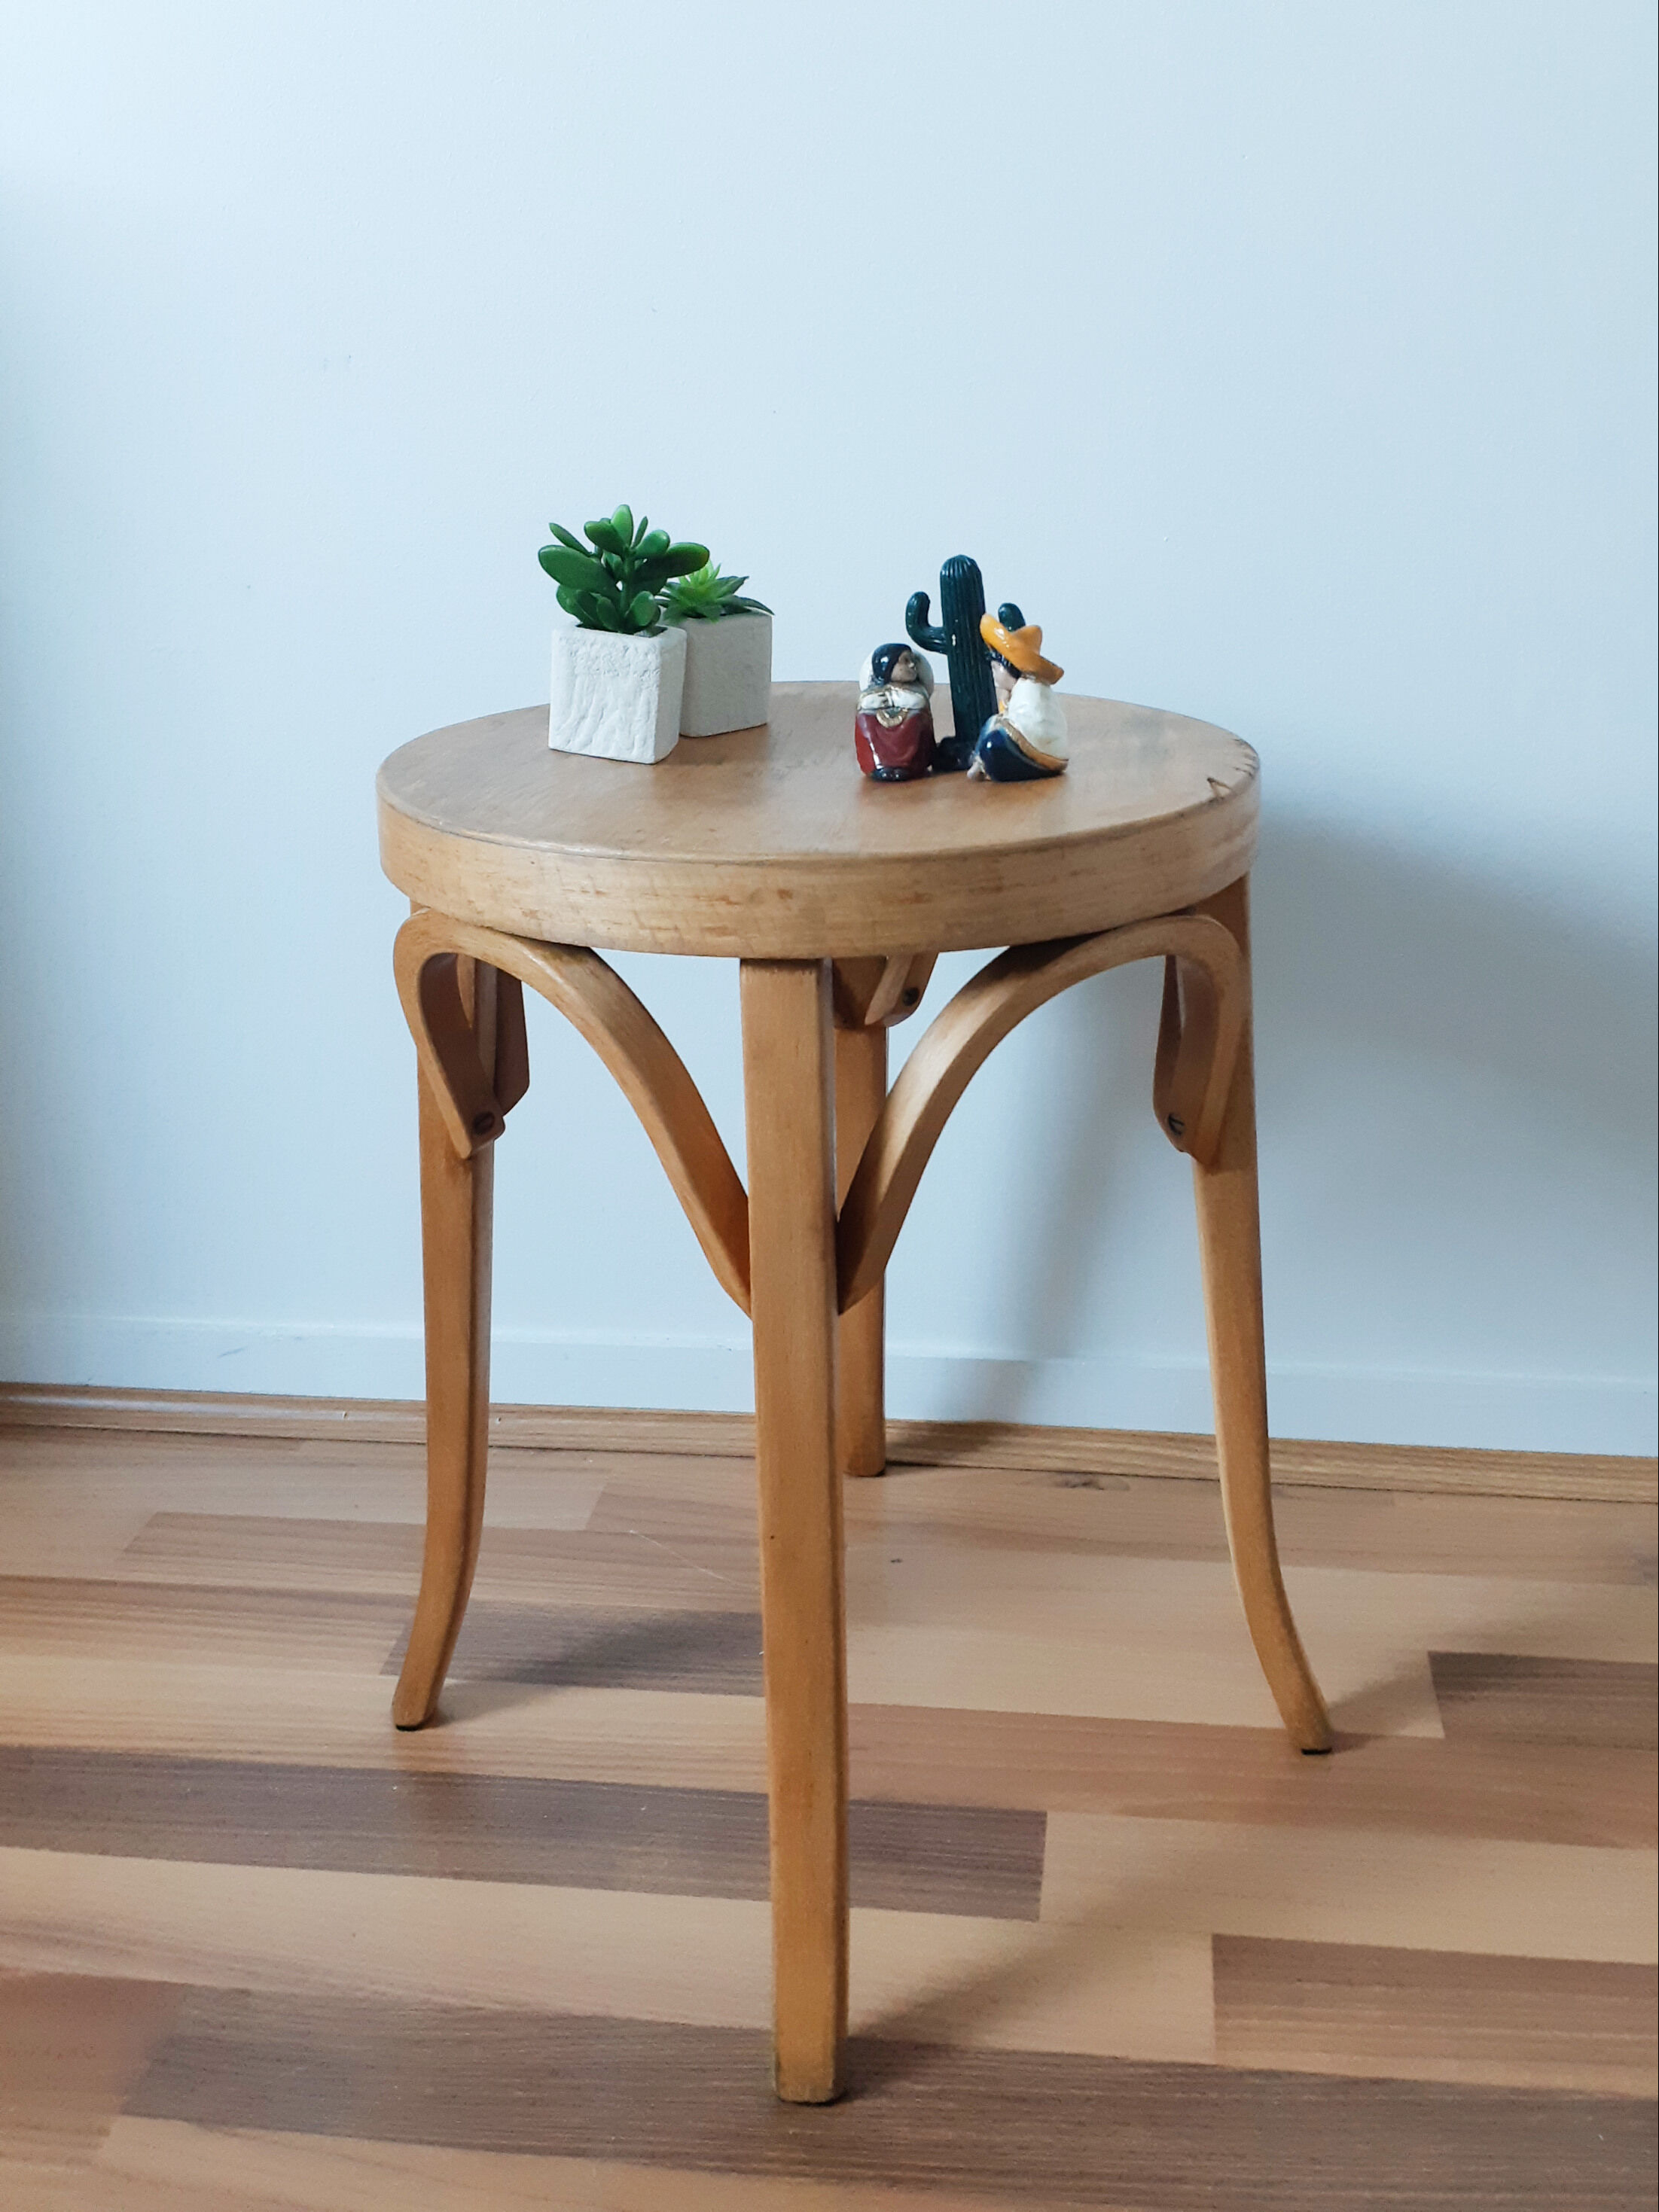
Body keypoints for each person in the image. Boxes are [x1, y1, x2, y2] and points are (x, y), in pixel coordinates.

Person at [969, 609, 1068, 781]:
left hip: (1042, 752)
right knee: (993, 725)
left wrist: (1003, 722)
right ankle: (980, 762)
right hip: (1040, 749)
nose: (994, 675)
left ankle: (981, 763)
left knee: (993, 741)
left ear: (1010, 667)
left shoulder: (1031, 689)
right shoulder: (1023, 687)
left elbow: (1033, 727)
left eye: (995, 668)